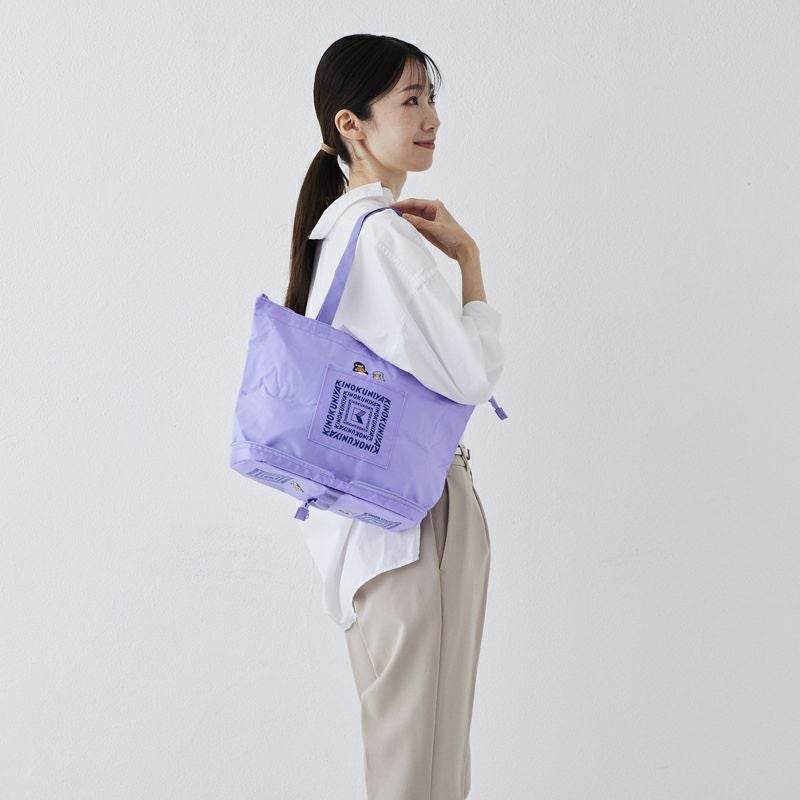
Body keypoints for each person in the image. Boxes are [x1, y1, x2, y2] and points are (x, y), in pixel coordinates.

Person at [283, 34, 505, 800]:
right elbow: (472, 372)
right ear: (352, 124)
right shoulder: (381, 236)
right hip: (418, 526)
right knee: (428, 778)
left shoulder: (333, 235)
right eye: (411, 100)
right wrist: (469, 259)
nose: (431, 117)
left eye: (431, 98)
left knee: (403, 768)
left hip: (366, 537)